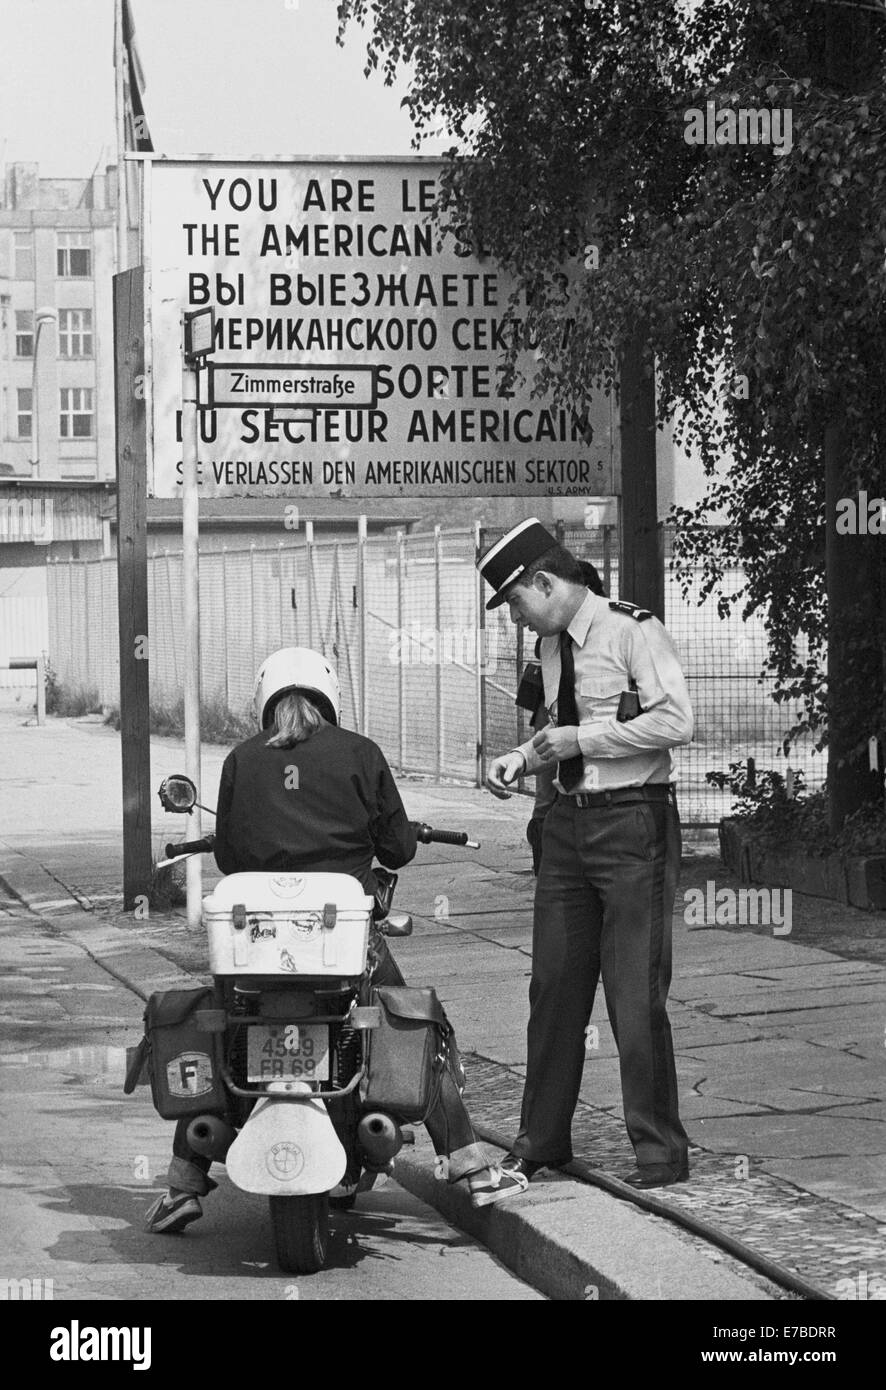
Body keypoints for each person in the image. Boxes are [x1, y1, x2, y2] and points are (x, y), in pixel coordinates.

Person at [145, 647, 520, 1233]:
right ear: (330, 697)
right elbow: (397, 848)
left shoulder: (242, 759)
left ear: (266, 698)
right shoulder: (361, 754)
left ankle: (183, 1181)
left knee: (219, 1026)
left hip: (255, 951)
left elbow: (231, 857)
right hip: (341, 943)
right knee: (415, 1024)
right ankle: (470, 1165)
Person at [478, 518, 694, 1197]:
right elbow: (554, 728)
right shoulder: (549, 648)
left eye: (516, 599)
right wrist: (520, 757)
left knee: (635, 995)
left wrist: (585, 739)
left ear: (546, 582)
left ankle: (660, 1155)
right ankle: (540, 1142)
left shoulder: (633, 630)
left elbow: (675, 721)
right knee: (554, 989)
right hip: (568, 829)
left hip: (634, 823)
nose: (515, 615)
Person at [517, 559, 605, 875]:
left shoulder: (619, 632)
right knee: (546, 797)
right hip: (552, 717)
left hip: (613, 811)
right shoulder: (550, 639)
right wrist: (520, 758)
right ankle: (545, 866)